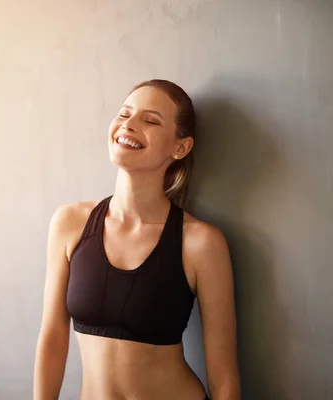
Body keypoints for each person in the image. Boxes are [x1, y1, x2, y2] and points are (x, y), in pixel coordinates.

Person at [33, 79, 240, 400]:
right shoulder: (70, 223)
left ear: (180, 147)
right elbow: (52, 338)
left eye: (150, 120)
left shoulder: (201, 243)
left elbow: (223, 379)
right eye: (125, 114)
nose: (129, 125)